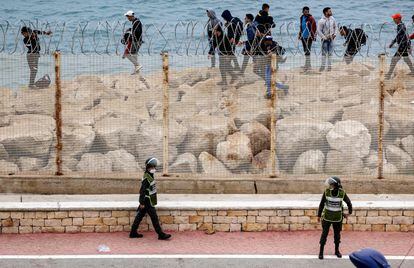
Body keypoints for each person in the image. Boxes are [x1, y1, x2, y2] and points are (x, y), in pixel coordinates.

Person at [129, 157, 171, 240]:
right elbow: (142, 191)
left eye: (154, 167)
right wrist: (141, 202)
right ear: (148, 167)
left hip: (148, 200)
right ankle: (161, 234)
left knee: (139, 216)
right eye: (152, 167)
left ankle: (133, 233)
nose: (153, 169)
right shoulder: (146, 178)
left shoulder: (150, 175)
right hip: (147, 201)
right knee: (154, 218)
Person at [318, 176, 352, 260]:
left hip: (337, 218)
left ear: (335, 185)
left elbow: (349, 202)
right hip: (327, 218)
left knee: (337, 235)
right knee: (324, 234)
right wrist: (319, 215)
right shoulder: (326, 192)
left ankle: (337, 251)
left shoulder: (342, 193)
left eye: (331, 184)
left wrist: (349, 213)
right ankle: (321, 252)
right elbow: (321, 204)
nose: (329, 185)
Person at [385, 13, 414, 79]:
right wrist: (393, 43)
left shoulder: (401, 26)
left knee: (393, 60)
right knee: (406, 59)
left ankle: (389, 75)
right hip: (403, 46)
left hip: (402, 46)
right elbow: (399, 36)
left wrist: (408, 46)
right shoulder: (401, 25)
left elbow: (406, 36)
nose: (393, 20)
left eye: (394, 18)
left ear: (398, 19)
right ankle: (413, 71)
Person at [123, 10, 143, 75]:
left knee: (127, 54)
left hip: (136, 41)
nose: (127, 18)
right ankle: (137, 71)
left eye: (128, 17)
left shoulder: (136, 22)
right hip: (138, 41)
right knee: (134, 54)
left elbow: (138, 32)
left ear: (131, 16)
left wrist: (131, 37)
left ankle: (138, 65)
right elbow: (136, 30)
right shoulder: (136, 21)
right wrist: (130, 29)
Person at [317, 7, 337, 72]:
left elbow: (335, 27)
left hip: (331, 39)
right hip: (324, 40)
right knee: (324, 54)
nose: (331, 12)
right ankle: (322, 66)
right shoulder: (321, 21)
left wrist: (335, 34)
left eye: (331, 11)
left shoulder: (332, 19)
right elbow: (318, 31)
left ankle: (329, 67)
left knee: (330, 53)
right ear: (326, 12)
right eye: (330, 11)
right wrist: (324, 37)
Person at [298, 6, 317, 71]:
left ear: (308, 12)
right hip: (303, 37)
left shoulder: (311, 18)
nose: (306, 13)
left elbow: (314, 27)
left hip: (309, 37)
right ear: (302, 12)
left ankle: (309, 66)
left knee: (308, 50)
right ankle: (306, 65)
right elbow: (301, 26)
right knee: (305, 51)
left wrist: (313, 36)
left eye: (307, 12)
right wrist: (299, 34)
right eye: (305, 12)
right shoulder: (301, 17)